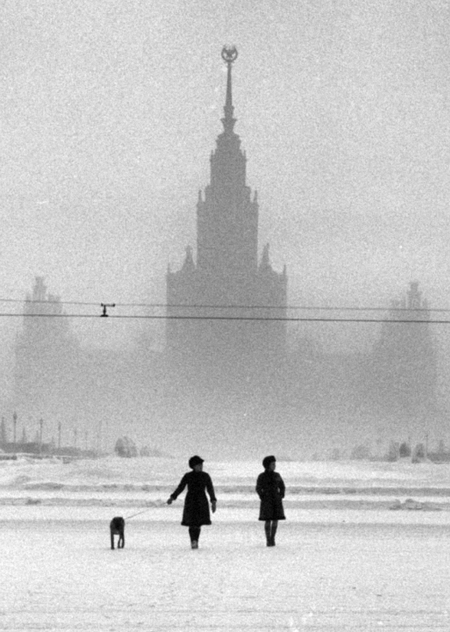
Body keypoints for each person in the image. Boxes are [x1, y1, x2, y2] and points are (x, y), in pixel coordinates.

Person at [167, 455, 217, 549]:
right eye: (198, 465)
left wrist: (213, 501)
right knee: (192, 523)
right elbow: (180, 487)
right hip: (191, 501)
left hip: (201, 500)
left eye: (201, 465)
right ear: (193, 466)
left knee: (198, 523)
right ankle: (193, 541)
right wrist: (172, 497)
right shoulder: (188, 476)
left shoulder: (205, 476)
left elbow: (210, 489)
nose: (201, 466)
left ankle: (195, 541)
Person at [256, 455, 285, 546]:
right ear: (267, 465)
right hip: (267, 500)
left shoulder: (277, 475)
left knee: (275, 519)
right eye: (272, 464)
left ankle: (272, 538)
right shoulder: (262, 476)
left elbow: (282, 486)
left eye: (274, 464)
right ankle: (268, 540)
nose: (274, 466)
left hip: (276, 500)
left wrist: (281, 495)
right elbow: (258, 488)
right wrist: (262, 496)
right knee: (267, 520)